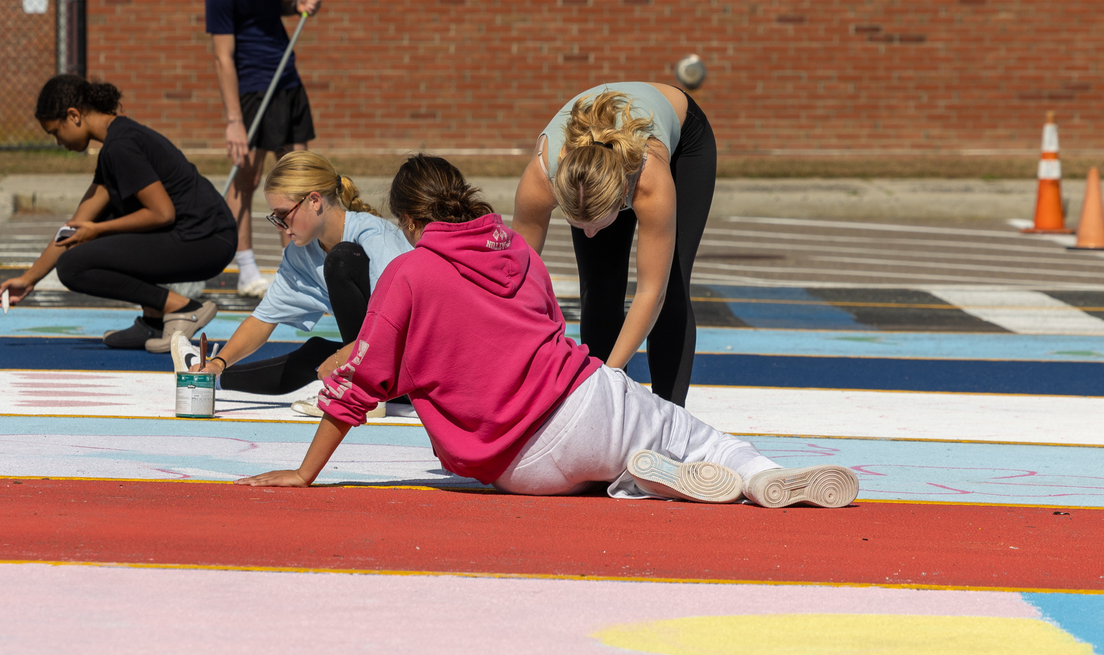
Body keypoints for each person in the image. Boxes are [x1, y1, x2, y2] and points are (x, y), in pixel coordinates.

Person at [238, 155, 858, 510]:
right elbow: (556, 329)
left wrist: (304, 473)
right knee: (693, 434)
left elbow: (360, 381)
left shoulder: (407, 271)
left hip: (520, 465)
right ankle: (752, 474)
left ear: (407, 219)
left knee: (602, 464)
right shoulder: (516, 249)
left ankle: (637, 478)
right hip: (585, 403)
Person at [0, 75, 236, 352]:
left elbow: (161, 214)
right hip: (206, 236)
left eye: (55, 132)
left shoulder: (121, 145)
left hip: (206, 240)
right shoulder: (115, 144)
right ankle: (153, 322)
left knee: (74, 265)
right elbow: (74, 227)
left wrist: (97, 231)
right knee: (99, 231)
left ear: (73, 116)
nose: (58, 142)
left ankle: (183, 308)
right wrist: (28, 280)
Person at [511, 82, 714, 407]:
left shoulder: (650, 182)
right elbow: (514, 281)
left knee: (671, 286)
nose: (589, 235)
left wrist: (608, 372)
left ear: (623, 197)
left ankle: (669, 418)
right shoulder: (541, 179)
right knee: (599, 286)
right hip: (596, 162)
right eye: (579, 226)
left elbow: (651, 293)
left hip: (684, 140)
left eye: (597, 225)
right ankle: (607, 410)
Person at [187, 151, 411, 417]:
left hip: (417, 363)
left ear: (314, 200)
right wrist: (217, 364)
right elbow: (263, 319)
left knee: (341, 261)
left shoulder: (374, 235)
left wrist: (342, 360)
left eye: (284, 214)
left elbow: (399, 320)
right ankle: (217, 381)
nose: (280, 226)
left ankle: (364, 391)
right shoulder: (299, 254)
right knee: (314, 354)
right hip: (383, 363)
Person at [205, 0, 322, 297]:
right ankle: (247, 268)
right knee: (247, 178)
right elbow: (223, 57)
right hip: (252, 87)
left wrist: (296, 6)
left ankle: (298, 270)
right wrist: (233, 119)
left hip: (286, 78)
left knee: (300, 179)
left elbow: (274, 4)